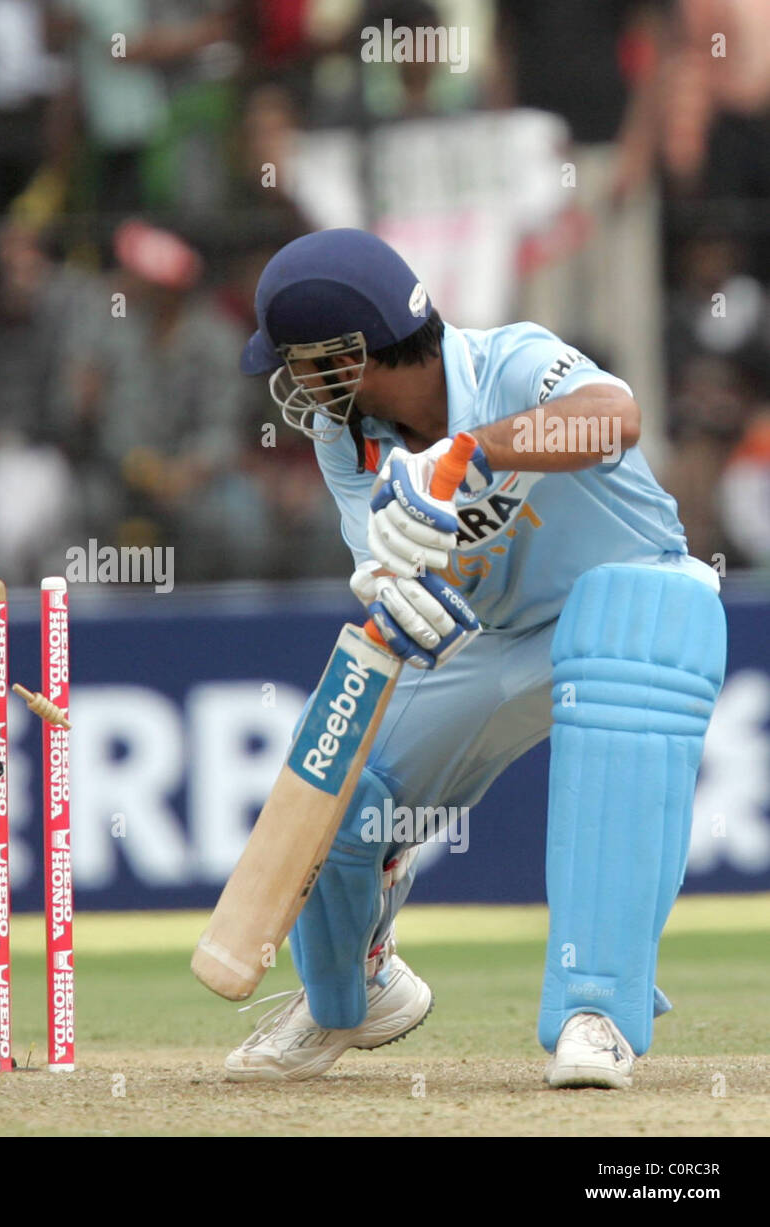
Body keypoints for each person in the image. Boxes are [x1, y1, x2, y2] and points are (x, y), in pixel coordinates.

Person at [226, 228, 727, 1089]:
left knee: (625, 648)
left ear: (347, 355)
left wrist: (472, 453)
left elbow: (617, 418)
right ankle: (355, 990)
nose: (294, 383)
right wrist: (388, 583)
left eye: (301, 362)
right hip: (489, 636)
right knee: (346, 776)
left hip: (630, 598)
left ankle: (595, 1009)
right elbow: (382, 556)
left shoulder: (514, 362)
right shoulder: (345, 438)